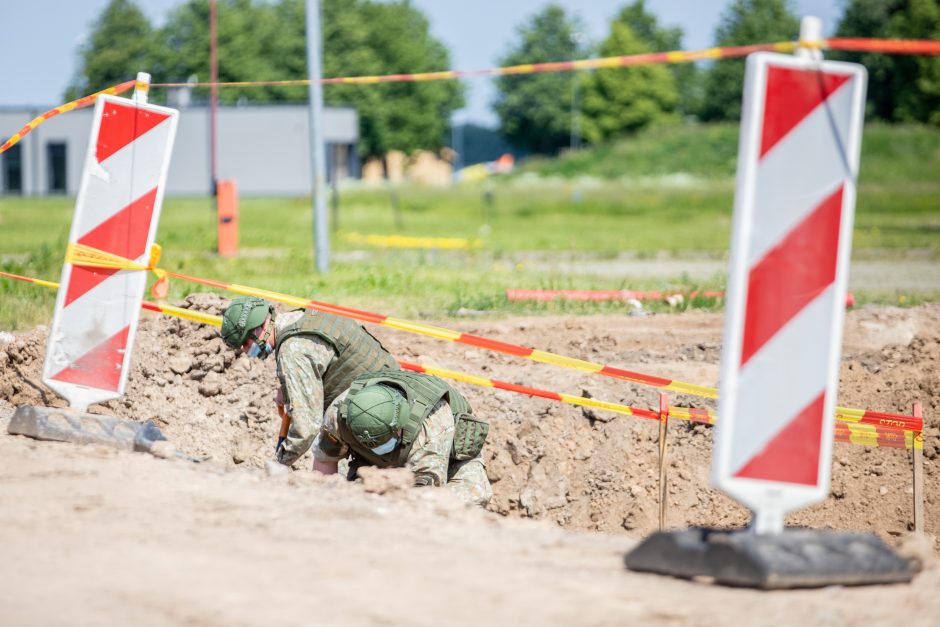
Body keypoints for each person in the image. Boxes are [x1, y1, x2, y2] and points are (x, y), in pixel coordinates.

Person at [220, 296, 399, 467]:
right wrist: (287, 387)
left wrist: (280, 462)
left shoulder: (292, 350)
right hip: (395, 391)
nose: (246, 350)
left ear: (259, 328)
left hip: (381, 416)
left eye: (246, 343)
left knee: (325, 452)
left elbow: (307, 427)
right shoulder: (303, 318)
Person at [312, 369, 493, 507]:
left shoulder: (433, 424)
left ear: (400, 428)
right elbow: (324, 465)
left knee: (464, 498)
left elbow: (428, 493)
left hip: (449, 454)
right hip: (374, 460)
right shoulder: (339, 412)